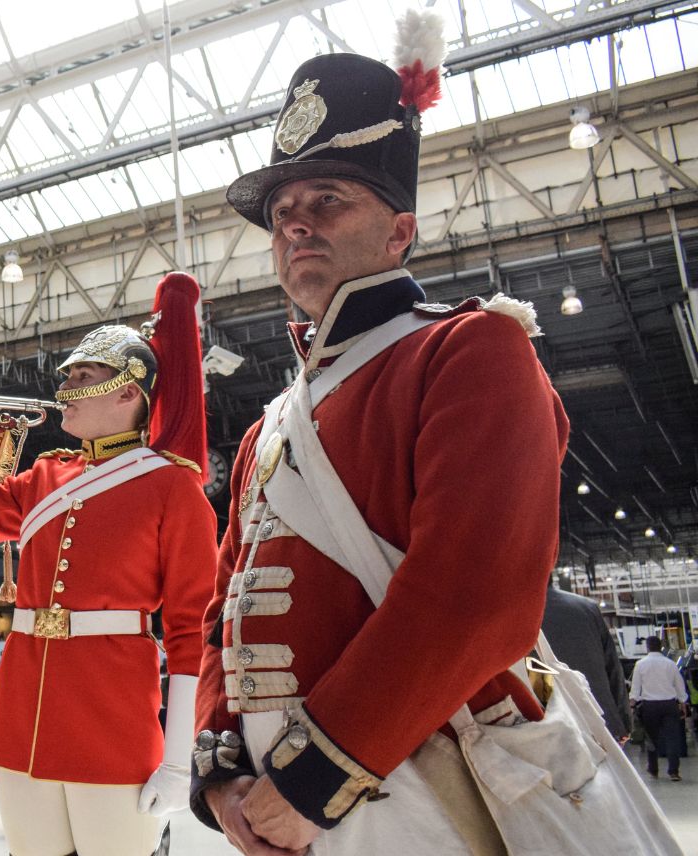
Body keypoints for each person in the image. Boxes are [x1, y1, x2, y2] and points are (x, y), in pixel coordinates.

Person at [189, 46, 573, 856]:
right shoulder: (268, 427)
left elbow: (477, 598)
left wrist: (312, 781)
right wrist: (222, 768)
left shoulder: (472, 351)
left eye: (328, 200)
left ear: (400, 231)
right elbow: (224, 608)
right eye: (284, 207)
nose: (296, 222)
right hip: (273, 811)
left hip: (421, 795)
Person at [0, 270, 217, 856]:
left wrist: (179, 756)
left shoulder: (172, 487)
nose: (67, 384)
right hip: (23, 710)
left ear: (130, 391)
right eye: (68, 373)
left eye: (85, 375)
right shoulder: (47, 476)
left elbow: (191, 632)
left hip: (112, 718)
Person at [541, 581, 630, 741]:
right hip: (602, 722)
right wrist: (622, 721)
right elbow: (613, 668)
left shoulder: (513, 613)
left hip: (551, 730)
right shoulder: (587, 607)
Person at [631, 635, 688, 782]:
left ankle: (653, 770)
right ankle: (674, 771)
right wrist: (683, 702)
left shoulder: (640, 664)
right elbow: (679, 685)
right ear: (661, 646)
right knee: (672, 738)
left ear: (648, 647)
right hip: (669, 705)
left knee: (651, 739)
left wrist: (632, 705)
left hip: (650, 706)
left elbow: (635, 688)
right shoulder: (670, 664)